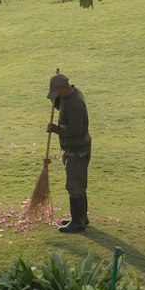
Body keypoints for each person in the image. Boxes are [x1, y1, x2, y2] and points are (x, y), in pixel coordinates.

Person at [47, 72, 91, 234]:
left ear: (65, 88)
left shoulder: (75, 103)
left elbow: (75, 129)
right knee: (78, 184)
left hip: (77, 150)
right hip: (74, 148)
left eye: (58, 93)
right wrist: (56, 101)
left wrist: (55, 129)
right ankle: (81, 217)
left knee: (74, 186)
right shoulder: (69, 96)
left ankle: (78, 222)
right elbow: (64, 108)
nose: (57, 96)